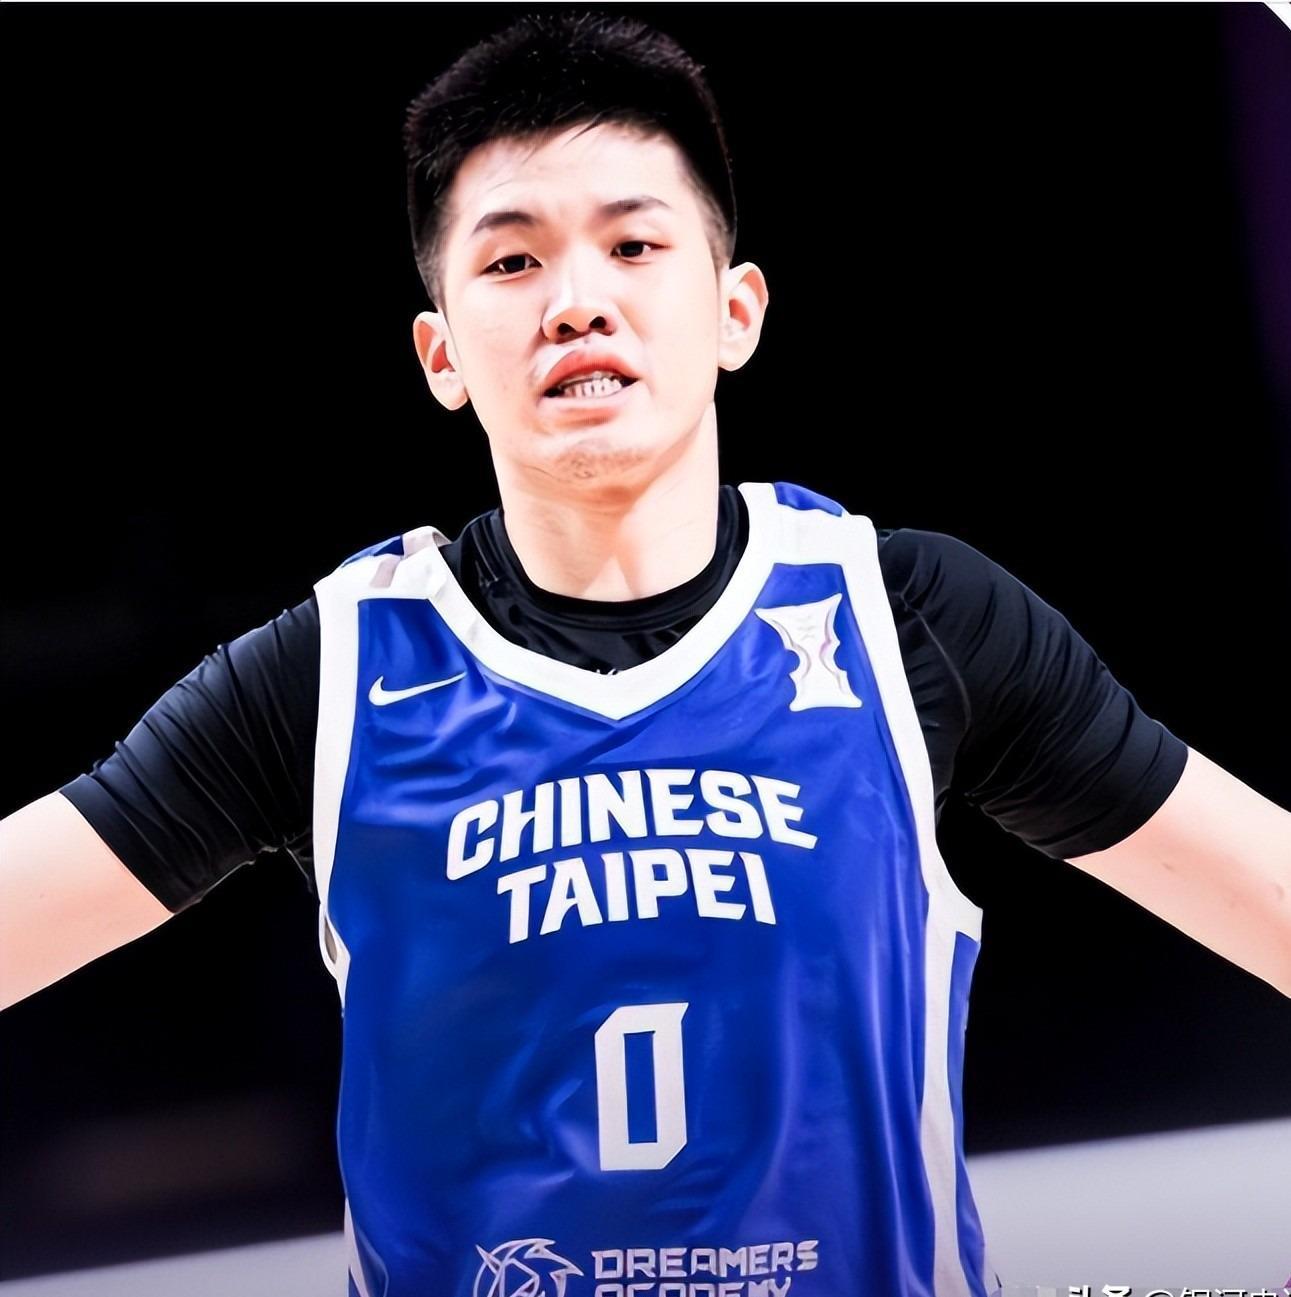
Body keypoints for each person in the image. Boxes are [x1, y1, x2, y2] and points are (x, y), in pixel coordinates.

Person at [2, 10, 1288, 1296]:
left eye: (632, 245)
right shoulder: (340, 671)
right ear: (441, 353)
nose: (577, 303)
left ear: (735, 310)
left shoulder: (910, 622)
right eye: (512, 262)